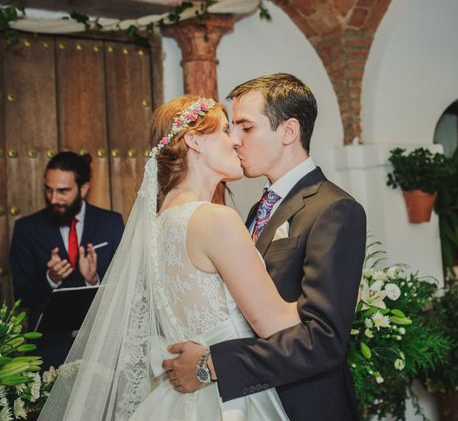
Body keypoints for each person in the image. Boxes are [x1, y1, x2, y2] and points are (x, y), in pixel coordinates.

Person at [40, 95, 301, 420]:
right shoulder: (215, 220)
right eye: (223, 129)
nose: (235, 139)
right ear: (193, 141)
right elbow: (274, 324)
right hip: (228, 401)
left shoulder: (159, 224)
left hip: (176, 400)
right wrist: (343, 296)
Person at [163, 73, 367, 421]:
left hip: (305, 405)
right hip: (249, 400)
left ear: (288, 132)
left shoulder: (333, 209)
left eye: (246, 128)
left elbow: (323, 340)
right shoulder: (257, 210)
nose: (236, 141)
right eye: (232, 130)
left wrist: (212, 364)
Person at [10, 151, 124, 369]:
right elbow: (22, 295)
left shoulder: (111, 224)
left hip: (100, 346)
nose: (54, 199)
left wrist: (93, 279)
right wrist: (50, 278)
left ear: (83, 188)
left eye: (63, 191)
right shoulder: (27, 229)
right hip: (48, 351)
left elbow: (126, 286)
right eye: (49, 190)